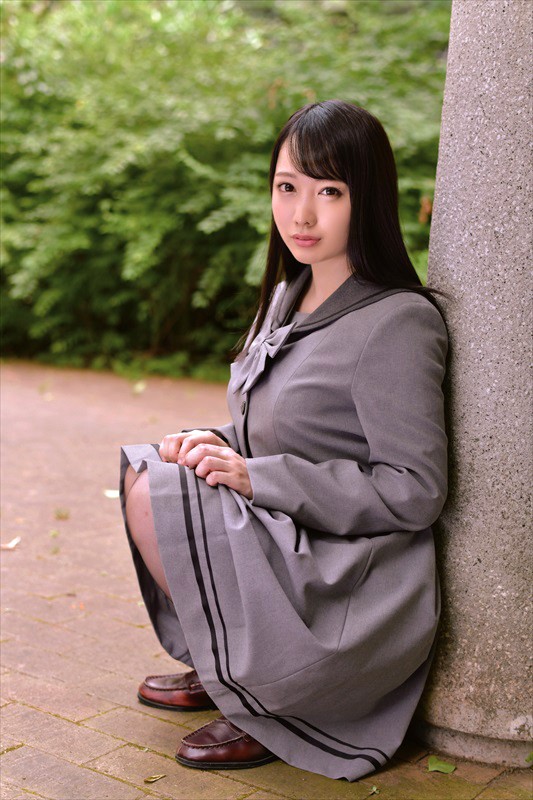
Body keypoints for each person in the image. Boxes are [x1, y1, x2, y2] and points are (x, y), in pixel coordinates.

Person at [120, 99, 448, 782]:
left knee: (158, 494)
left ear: (368, 199)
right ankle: (228, 666)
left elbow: (415, 490)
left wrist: (254, 476)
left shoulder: (397, 322)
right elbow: (270, 426)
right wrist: (212, 440)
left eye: (329, 192)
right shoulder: (287, 296)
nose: (301, 214)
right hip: (288, 525)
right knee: (145, 472)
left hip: (349, 569)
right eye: (287, 186)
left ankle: (271, 697)